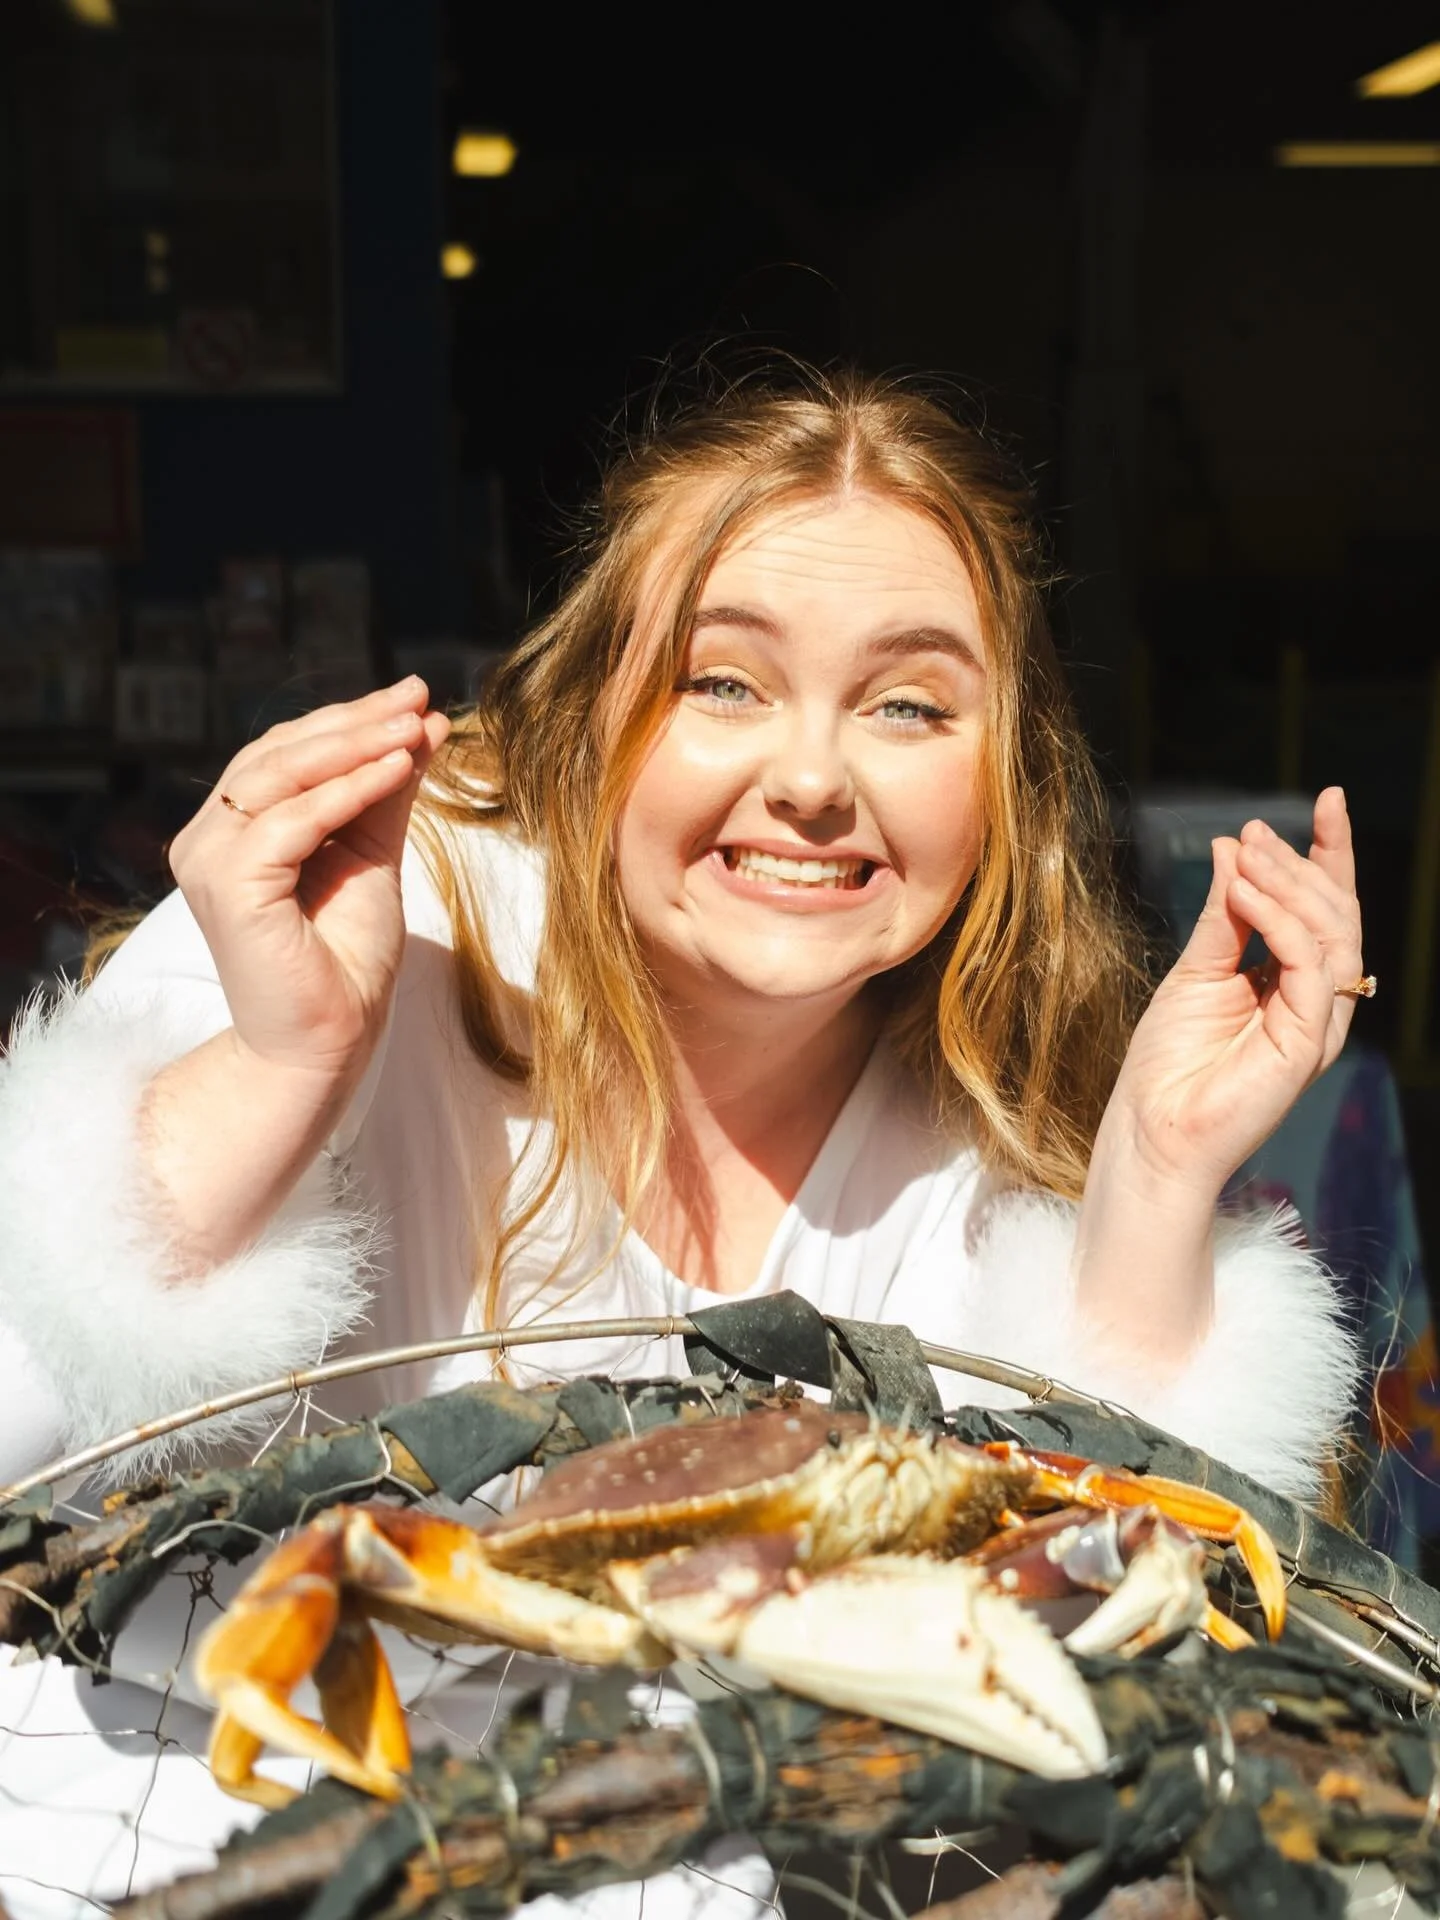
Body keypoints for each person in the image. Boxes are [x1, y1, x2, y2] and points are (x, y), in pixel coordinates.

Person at [0, 371, 1363, 1917]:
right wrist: (278, 1065)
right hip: (139, 1839)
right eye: (723, 682)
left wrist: (1156, 1178)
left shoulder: (973, 1146)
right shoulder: (365, 921)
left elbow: (1099, 1681)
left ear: (1007, 783)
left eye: (909, 706)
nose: (812, 781)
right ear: (590, 710)